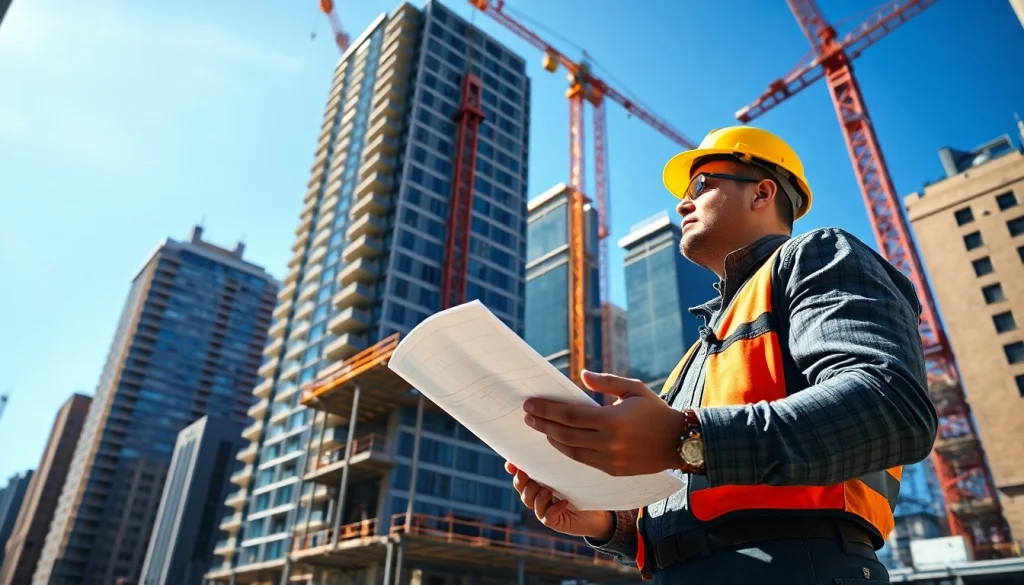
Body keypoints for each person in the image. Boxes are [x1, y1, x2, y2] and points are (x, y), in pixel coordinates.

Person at [506, 126, 938, 584]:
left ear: (763, 192)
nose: (681, 203)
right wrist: (607, 522)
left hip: (801, 566)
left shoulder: (818, 255)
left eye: (700, 185)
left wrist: (685, 436)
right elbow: (692, 505)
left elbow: (892, 408)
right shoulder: (695, 357)